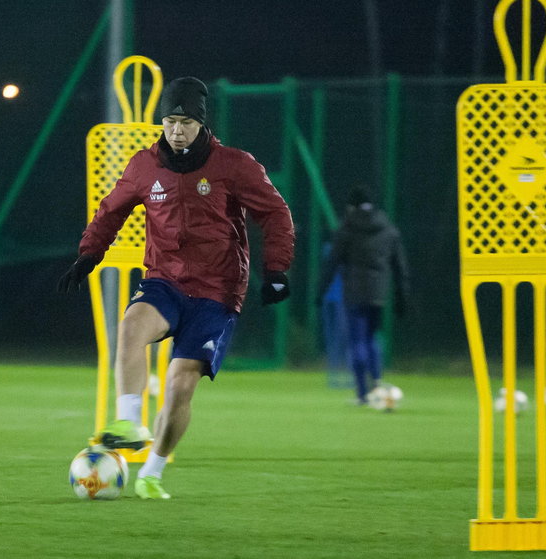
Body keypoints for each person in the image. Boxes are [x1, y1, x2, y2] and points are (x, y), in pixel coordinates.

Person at [58, 77, 294, 499]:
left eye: (185, 121)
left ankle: (152, 471)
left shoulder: (235, 165)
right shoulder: (144, 166)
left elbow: (276, 213)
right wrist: (89, 255)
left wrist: (276, 269)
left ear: (201, 124)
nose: (176, 130)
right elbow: (110, 212)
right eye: (169, 120)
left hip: (217, 292)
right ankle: (130, 422)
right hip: (165, 279)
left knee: (180, 384)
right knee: (131, 327)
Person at [318, 185, 409, 405]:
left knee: (357, 340)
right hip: (379, 293)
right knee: (371, 338)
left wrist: (320, 290)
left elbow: (333, 263)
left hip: (355, 292)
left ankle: (362, 393)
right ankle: (376, 383)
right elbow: (400, 266)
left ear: (352, 206)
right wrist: (402, 295)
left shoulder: (346, 229)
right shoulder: (388, 229)